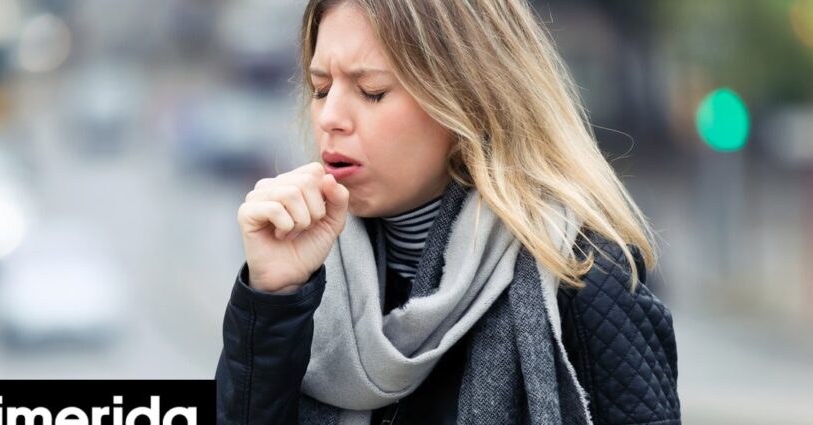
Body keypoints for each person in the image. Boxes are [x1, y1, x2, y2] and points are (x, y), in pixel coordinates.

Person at [216, 0, 679, 424]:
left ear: (467, 101)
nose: (330, 117)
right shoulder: (306, 273)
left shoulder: (582, 276)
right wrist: (272, 299)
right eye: (321, 89)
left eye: (372, 91)